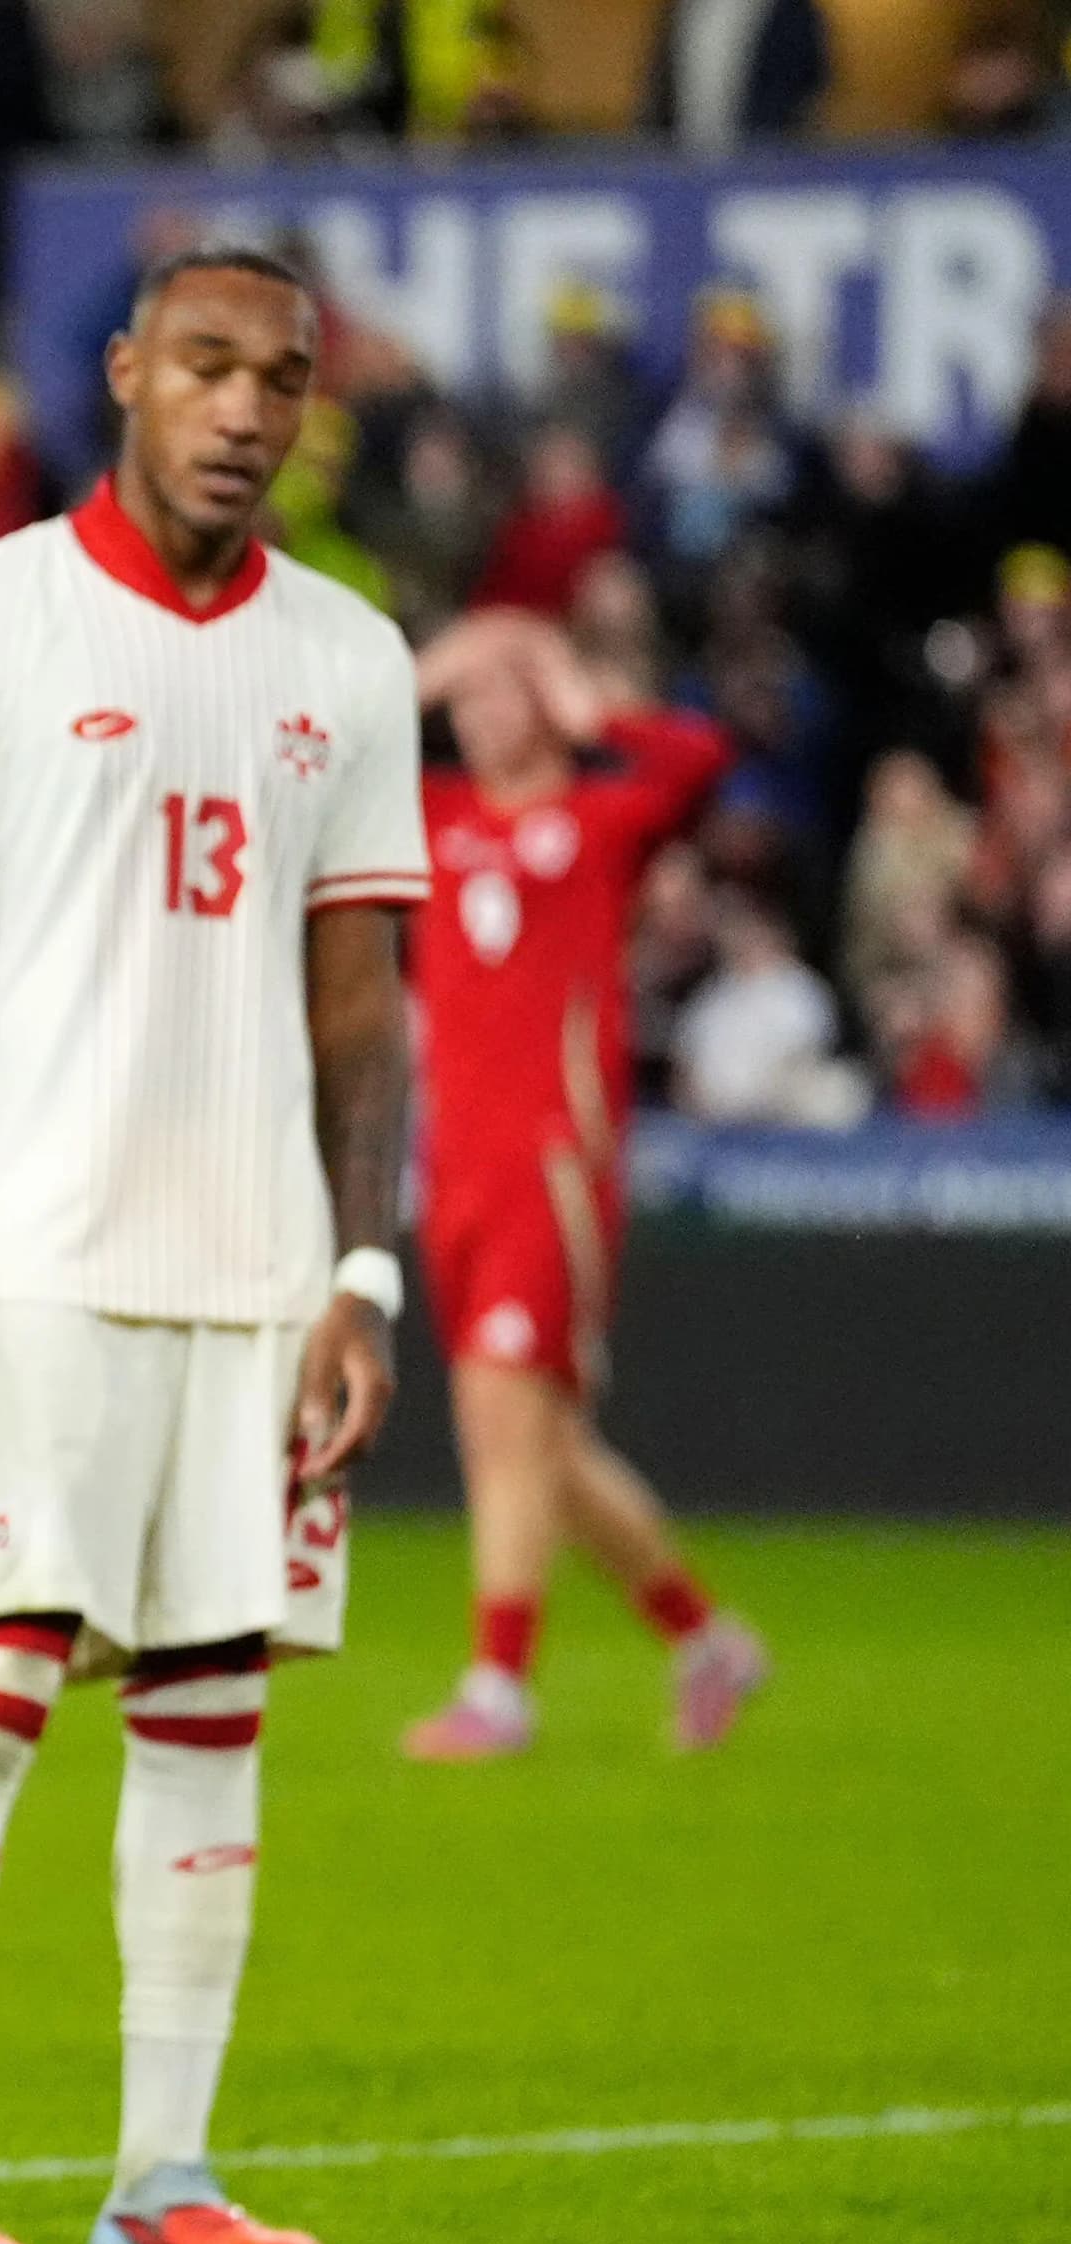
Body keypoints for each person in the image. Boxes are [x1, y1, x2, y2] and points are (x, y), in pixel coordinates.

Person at [0, 247, 425, 2244]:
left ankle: (165, 2175)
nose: (246, 408)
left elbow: (362, 1003)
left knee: (211, 1701)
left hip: (264, 1271)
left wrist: (364, 1270)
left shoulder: (351, 658)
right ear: (127, 373)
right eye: (207, 365)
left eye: (282, 377)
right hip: (36, 1249)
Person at [403, 611, 769, 1761]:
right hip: (453, 1165)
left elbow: (699, 759)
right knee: (538, 1443)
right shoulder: (436, 819)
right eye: (467, 699)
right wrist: (428, 671)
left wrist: (582, 694)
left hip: (549, 1159)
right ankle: (707, 1640)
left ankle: (498, 1689)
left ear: (546, 704)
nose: (479, 714)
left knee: (504, 1419)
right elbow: (318, 751)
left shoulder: (602, 822)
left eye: (500, 692)